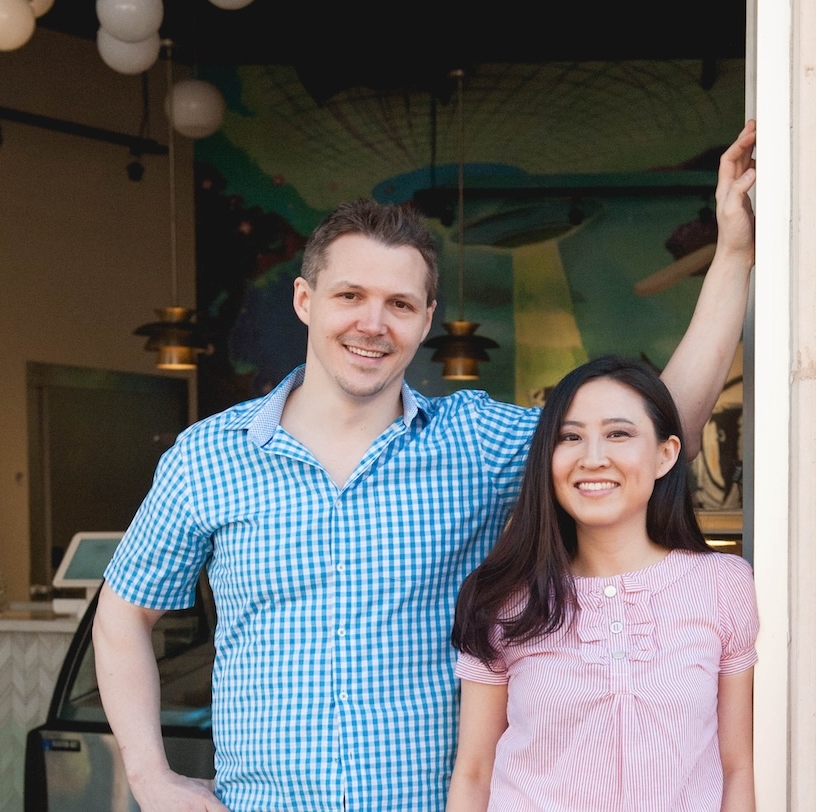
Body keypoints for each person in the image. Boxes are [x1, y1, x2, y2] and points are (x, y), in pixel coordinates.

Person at [92, 120, 758, 812]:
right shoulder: (209, 456)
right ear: (305, 300)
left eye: (400, 305)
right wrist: (150, 778)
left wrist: (734, 254)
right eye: (350, 296)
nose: (373, 324)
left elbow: (648, 432)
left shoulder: (473, 439)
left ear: (427, 318)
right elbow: (121, 617)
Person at [446, 357, 760, 812]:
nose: (592, 458)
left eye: (619, 434)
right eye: (570, 437)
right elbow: (474, 772)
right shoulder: (504, 597)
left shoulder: (723, 585)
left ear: (665, 454)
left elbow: (737, 768)